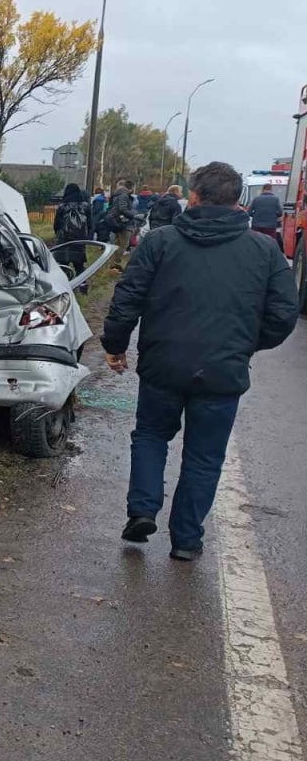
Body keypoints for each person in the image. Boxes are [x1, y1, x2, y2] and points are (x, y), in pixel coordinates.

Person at [101, 161, 298, 561]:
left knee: (151, 435)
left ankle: (142, 510)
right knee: (204, 455)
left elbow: (127, 298)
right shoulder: (264, 250)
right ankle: (187, 540)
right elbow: (283, 314)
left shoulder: (160, 242)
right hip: (222, 372)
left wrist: (115, 344)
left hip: (163, 365)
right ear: (237, 200)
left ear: (193, 196)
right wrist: (243, 346)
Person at [52, 182, 92, 290]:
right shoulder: (86, 206)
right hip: (79, 241)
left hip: (64, 241)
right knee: (79, 267)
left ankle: (64, 288)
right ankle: (83, 287)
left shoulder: (62, 207)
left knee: (63, 266)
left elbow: (56, 225)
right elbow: (91, 225)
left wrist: (59, 235)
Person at [105, 179, 136, 269]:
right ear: (131, 187)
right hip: (123, 222)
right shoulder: (124, 195)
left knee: (117, 243)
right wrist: (133, 214)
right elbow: (122, 209)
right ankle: (115, 263)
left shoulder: (117, 194)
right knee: (123, 244)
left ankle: (113, 263)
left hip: (117, 221)